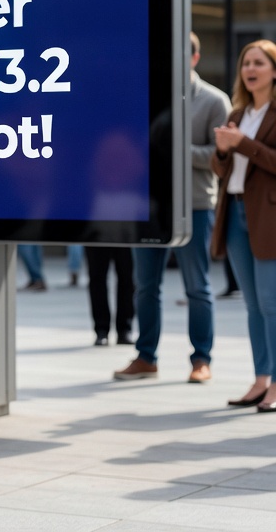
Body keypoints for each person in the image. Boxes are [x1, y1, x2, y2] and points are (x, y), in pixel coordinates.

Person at [116, 33, 230, 383]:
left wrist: (177, 148)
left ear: (194, 58)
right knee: (145, 286)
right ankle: (146, 356)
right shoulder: (145, 95)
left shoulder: (214, 101)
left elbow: (220, 157)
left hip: (195, 205)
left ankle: (201, 359)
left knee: (197, 287)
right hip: (148, 207)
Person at [212, 39, 276, 411]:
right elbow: (222, 170)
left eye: (259, 63)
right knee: (253, 305)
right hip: (235, 213)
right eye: (246, 63)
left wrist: (244, 144)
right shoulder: (237, 113)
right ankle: (260, 380)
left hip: (267, 215)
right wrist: (223, 149)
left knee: (271, 303)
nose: (250, 69)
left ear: (273, 70)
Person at [85, 246, 134, 346]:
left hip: (125, 234)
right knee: (97, 277)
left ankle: (124, 329)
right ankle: (101, 330)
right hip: (97, 234)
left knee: (127, 277)